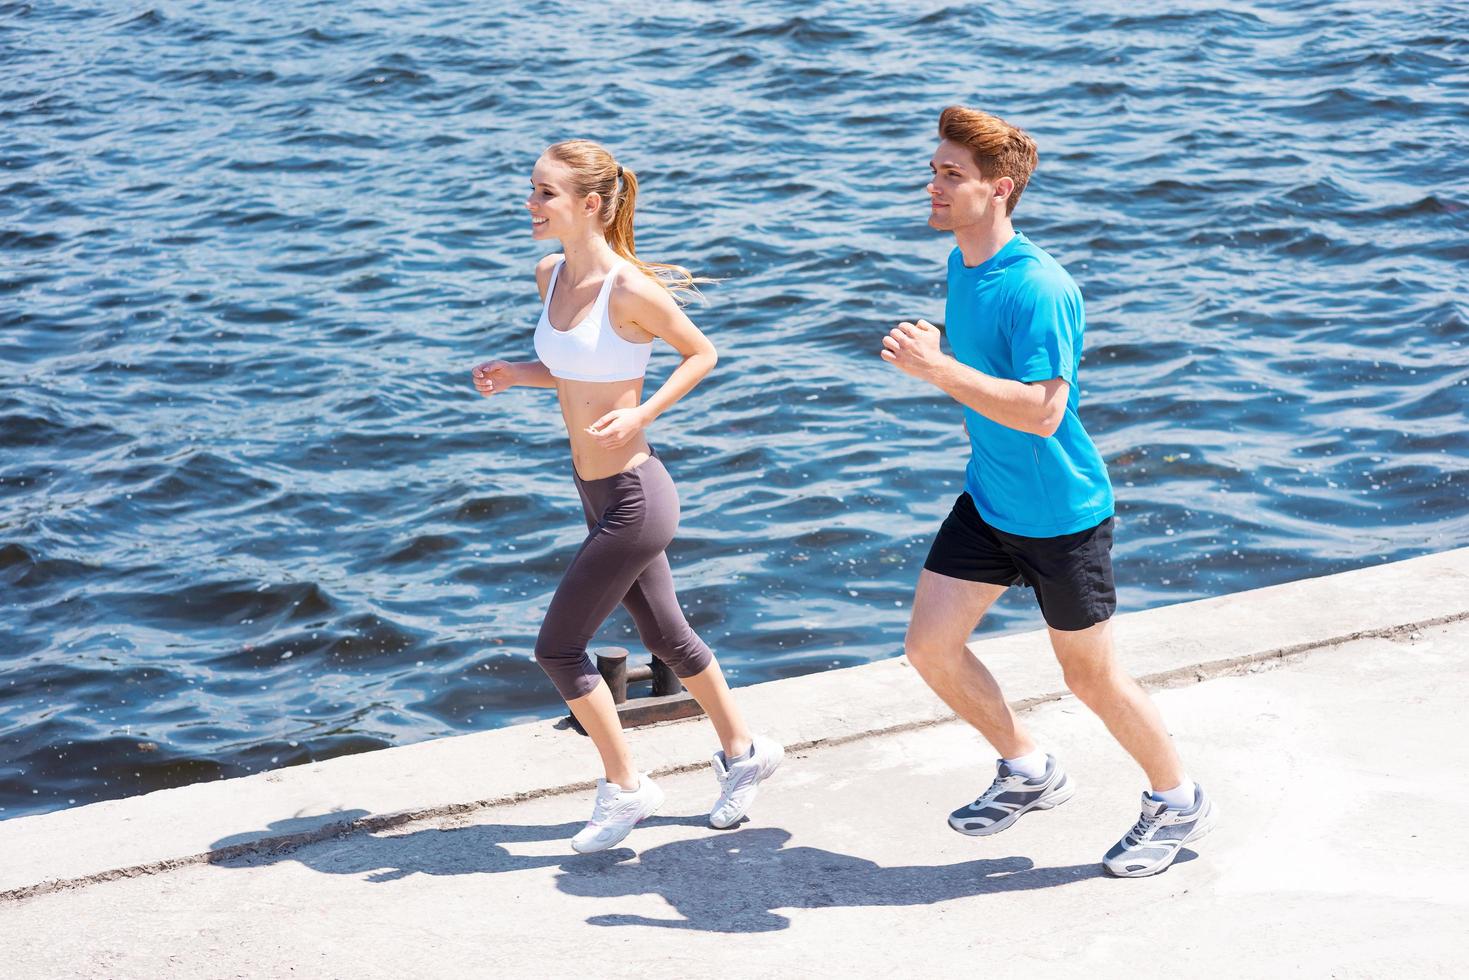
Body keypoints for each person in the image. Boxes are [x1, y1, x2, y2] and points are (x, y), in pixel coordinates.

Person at [880, 106, 1215, 877]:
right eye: (933, 169)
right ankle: (1028, 769)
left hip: (1061, 517)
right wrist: (947, 371)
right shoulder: (964, 263)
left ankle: (1177, 798)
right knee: (929, 648)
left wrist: (936, 369)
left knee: (1088, 677)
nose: (930, 184)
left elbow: (1042, 410)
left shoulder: (1039, 287)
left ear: (998, 190)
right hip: (990, 501)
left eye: (948, 174)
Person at [471, 139, 781, 853]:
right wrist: (518, 373)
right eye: (532, 189)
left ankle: (625, 787)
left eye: (545, 192)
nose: (531, 203)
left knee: (557, 648)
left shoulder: (631, 289)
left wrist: (644, 414)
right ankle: (745, 753)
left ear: (588, 204)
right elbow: (578, 371)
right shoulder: (549, 274)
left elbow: (701, 353)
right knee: (665, 636)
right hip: (592, 485)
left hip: (636, 495)